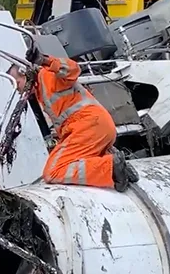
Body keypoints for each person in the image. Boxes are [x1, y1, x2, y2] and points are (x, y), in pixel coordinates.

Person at [8, 47, 139, 192]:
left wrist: (45, 60)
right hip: (99, 126)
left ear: (24, 73)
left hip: (88, 126)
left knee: (53, 171)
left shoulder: (48, 75)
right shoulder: (41, 90)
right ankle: (121, 170)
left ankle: (111, 168)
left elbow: (73, 69)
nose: (18, 90)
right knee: (80, 159)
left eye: (17, 83)